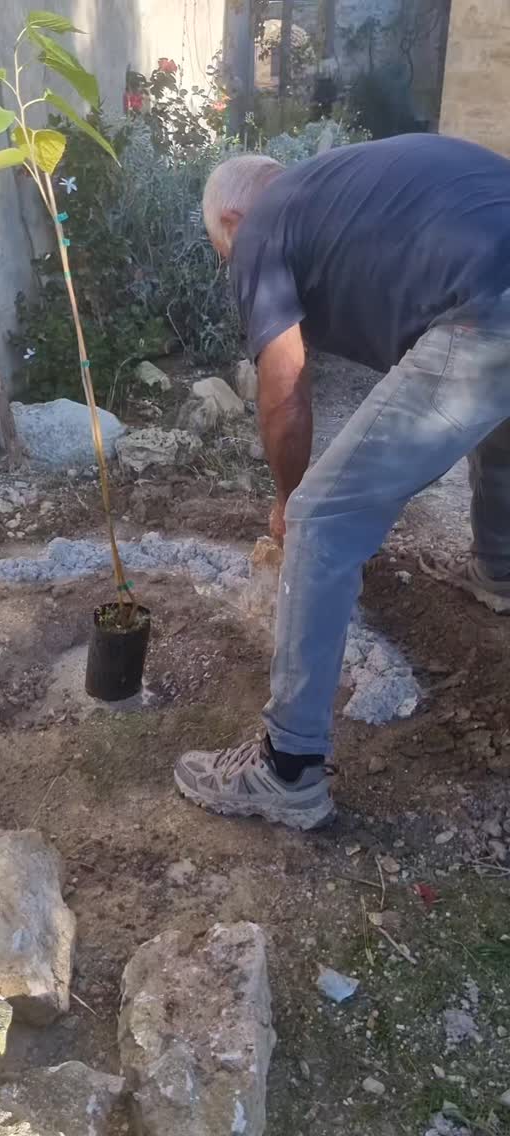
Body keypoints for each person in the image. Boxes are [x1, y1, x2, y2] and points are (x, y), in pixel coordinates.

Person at [174, 133, 510, 831]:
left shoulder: (263, 224)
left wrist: (288, 500)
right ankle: (499, 569)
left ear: (232, 222)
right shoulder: (342, 193)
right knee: (497, 415)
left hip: (492, 307)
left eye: (219, 256)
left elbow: (284, 385)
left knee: (324, 518)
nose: (231, 268)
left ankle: (287, 770)